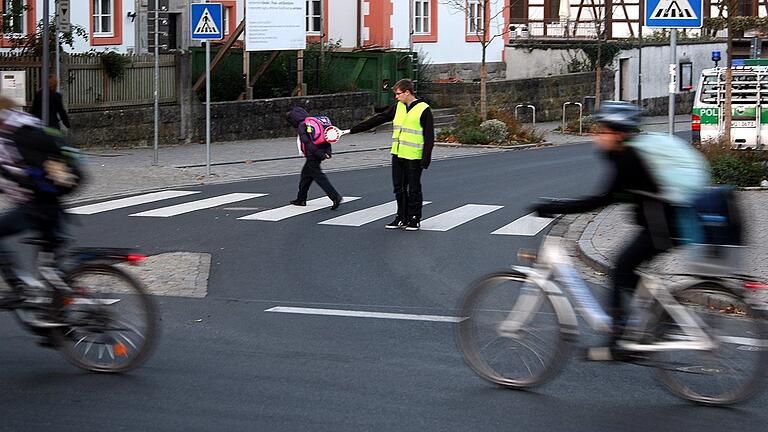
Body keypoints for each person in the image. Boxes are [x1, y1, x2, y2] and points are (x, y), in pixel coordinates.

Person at [530, 101, 690, 361]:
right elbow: (609, 198)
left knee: (620, 269)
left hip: (663, 227)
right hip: (663, 224)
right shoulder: (626, 156)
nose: (597, 136)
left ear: (619, 133)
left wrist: (553, 207)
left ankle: (619, 340)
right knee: (627, 272)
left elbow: (599, 200)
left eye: (602, 131)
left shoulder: (627, 158)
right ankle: (663, 319)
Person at [0, 96, 71, 307]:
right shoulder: (29, 123)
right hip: (54, 203)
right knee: (51, 270)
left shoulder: (6, 135)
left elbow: (9, 173)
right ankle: (56, 327)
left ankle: (19, 287)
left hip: (36, 206)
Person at [348, 79, 434, 231]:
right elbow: (379, 119)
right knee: (398, 188)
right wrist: (353, 130)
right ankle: (401, 216)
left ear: (407, 92)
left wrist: (425, 159)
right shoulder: (398, 107)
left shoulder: (423, 109)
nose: (396, 97)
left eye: (398, 94)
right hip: (398, 153)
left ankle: (414, 218)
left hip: (414, 156)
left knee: (413, 188)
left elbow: (429, 136)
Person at [285, 107, 342, 210]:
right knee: (305, 176)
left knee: (319, 177)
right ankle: (301, 199)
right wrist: (327, 152)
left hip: (313, 155)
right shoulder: (313, 122)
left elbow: (307, 143)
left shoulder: (302, 126)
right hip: (319, 153)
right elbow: (326, 138)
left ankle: (335, 196)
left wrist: (319, 154)